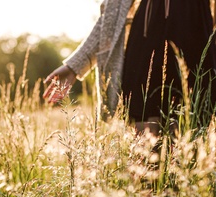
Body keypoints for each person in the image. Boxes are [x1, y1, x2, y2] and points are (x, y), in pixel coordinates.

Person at [43, 0, 216, 134]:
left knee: (191, 135)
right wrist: (75, 66)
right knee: (146, 144)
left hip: (196, 35)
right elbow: (112, 14)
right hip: (148, 38)